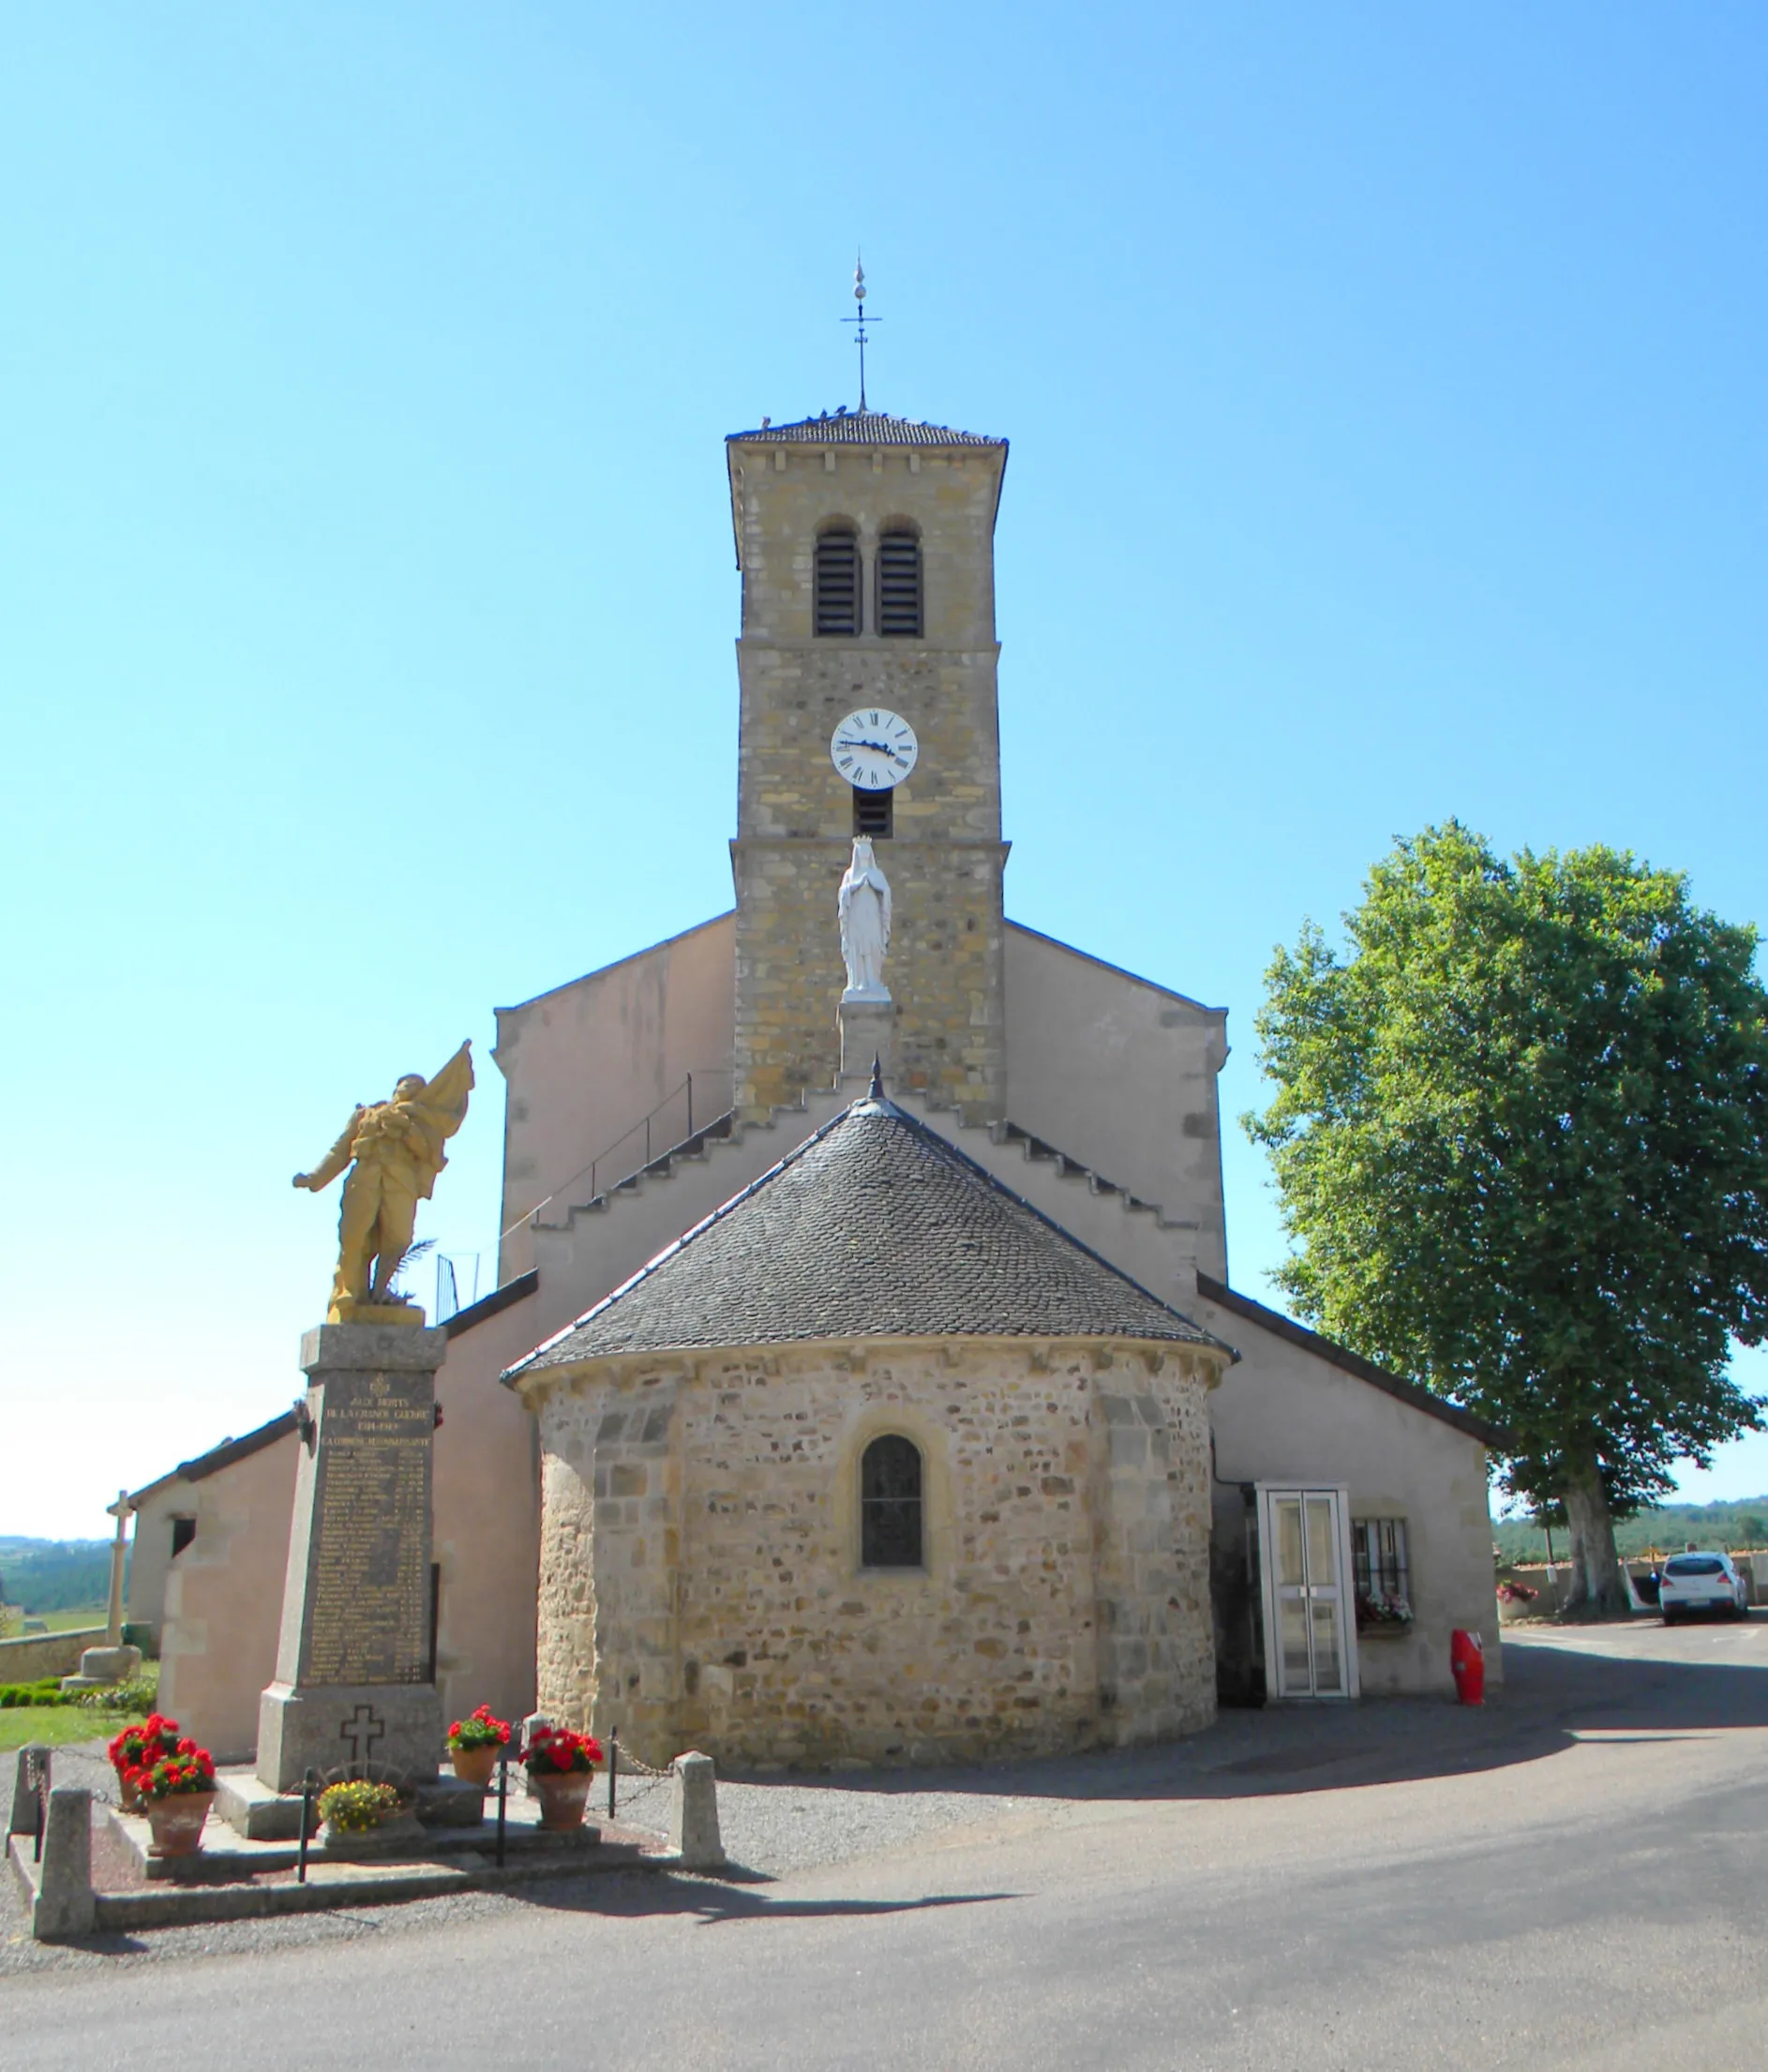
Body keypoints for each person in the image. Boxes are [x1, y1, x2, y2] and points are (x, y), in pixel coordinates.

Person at [294, 1041, 473, 1317]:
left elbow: (430, 1155)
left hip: (400, 1182)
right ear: (395, 1089)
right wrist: (314, 1178)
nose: (412, 1087)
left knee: (399, 1238)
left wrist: (407, 1133)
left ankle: (380, 1291)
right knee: (354, 1236)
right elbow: (340, 1151)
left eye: (418, 1085)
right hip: (365, 1176)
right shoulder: (365, 1114)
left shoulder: (422, 1122)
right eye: (407, 1083)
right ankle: (348, 1292)